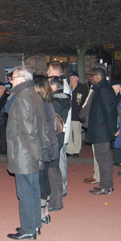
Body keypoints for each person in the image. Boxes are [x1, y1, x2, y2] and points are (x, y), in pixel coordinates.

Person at [5, 66, 49, 240]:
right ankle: (34, 224)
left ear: (22, 79)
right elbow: (43, 126)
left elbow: (27, 131)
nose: (11, 81)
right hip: (32, 151)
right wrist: (41, 150)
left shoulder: (22, 98)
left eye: (13, 78)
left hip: (25, 153)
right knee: (34, 190)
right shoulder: (34, 95)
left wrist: (37, 153)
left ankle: (28, 229)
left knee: (25, 193)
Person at [81, 66, 117, 195]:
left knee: (104, 159)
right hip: (99, 129)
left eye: (91, 75)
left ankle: (107, 186)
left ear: (98, 76)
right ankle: (104, 184)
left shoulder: (103, 89)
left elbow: (109, 111)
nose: (89, 78)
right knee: (101, 158)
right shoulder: (100, 88)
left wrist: (113, 129)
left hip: (102, 130)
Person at [33, 75, 59, 225]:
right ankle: (46, 212)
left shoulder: (40, 102)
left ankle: (42, 213)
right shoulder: (47, 100)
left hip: (43, 145)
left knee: (41, 180)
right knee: (45, 179)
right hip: (50, 143)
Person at [47, 62, 72, 196]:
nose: (47, 72)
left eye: (49, 70)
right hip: (61, 129)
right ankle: (60, 186)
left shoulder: (62, 89)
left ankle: (60, 187)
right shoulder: (63, 86)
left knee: (58, 160)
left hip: (60, 130)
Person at [66, 71, 88, 158]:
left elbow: (84, 101)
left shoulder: (82, 88)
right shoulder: (67, 87)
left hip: (77, 114)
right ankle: (69, 149)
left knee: (77, 132)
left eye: (74, 78)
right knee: (68, 133)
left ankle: (76, 150)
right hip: (68, 114)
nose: (72, 79)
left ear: (77, 79)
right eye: (71, 78)